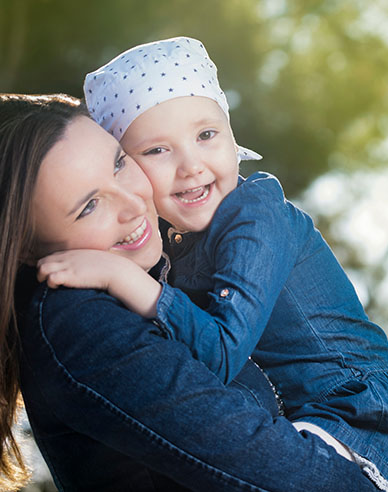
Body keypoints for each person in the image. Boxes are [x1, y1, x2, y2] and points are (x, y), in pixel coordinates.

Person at [0, 92, 378, 492]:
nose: (133, 205)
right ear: (26, 248)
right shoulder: (78, 321)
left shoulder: (149, 276)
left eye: (119, 164)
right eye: (89, 205)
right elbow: (295, 477)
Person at [39, 36, 388, 489]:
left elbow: (220, 352)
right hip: (300, 418)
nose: (191, 166)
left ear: (231, 135)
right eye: (157, 151)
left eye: (206, 135)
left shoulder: (257, 216)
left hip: (355, 413)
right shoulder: (170, 239)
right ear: (129, 169)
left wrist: (118, 275)